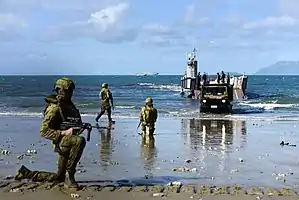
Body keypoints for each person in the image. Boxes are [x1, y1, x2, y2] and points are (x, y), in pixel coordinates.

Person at [14, 77, 86, 189]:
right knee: (80, 140)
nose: (70, 93)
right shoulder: (54, 108)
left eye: (71, 90)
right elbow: (44, 131)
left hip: (70, 142)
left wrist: (81, 127)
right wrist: (64, 133)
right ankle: (70, 176)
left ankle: (27, 173)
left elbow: (74, 124)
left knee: (58, 177)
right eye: (67, 90)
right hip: (61, 142)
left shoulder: (70, 106)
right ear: (60, 90)